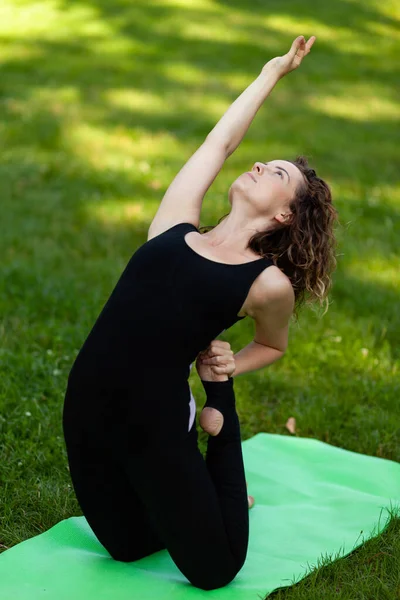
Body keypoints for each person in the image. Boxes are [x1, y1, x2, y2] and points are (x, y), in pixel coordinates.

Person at [62, 34, 338, 591]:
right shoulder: (173, 226)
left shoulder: (264, 283)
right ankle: (189, 493)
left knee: (214, 571)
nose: (261, 164)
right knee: (127, 547)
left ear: (286, 215)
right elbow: (219, 145)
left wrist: (227, 371)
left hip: (155, 425)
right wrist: (270, 74)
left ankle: (218, 434)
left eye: (277, 174)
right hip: (86, 408)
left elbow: (274, 345)